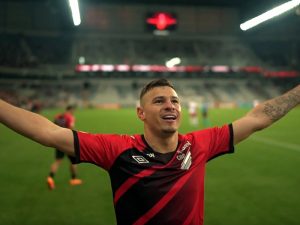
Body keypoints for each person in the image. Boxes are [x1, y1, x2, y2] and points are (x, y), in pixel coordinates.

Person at [0, 78, 299, 225]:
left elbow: (258, 117)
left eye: (174, 100)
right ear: (141, 113)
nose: (170, 105)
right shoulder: (117, 150)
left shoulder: (199, 144)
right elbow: (47, 132)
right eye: (159, 101)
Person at [47, 105, 82, 190]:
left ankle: (50, 178)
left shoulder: (58, 116)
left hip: (58, 140)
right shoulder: (70, 117)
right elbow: (71, 128)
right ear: (70, 109)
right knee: (74, 161)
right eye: (73, 110)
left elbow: (52, 125)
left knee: (57, 161)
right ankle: (74, 179)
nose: (74, 111)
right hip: (67, 141)